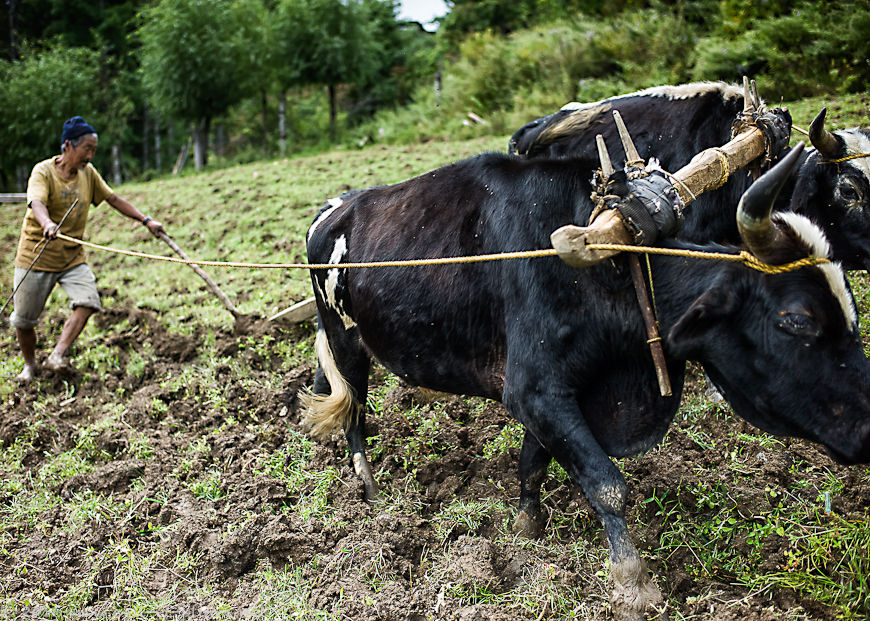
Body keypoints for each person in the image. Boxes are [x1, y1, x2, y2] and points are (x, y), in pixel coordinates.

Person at [10, 116, 164, 383]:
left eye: (94, 150)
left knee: (89, 301)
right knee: (24, 321)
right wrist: (47, 224)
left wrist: (146, 220)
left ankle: (57, 355)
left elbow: (113, 198)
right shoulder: (43, 171)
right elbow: (36, 202)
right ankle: (30, 365)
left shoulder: (88, 173)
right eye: (87, 149)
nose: (91, 156)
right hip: (36, 257)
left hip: (71, 257)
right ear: (68, 146)